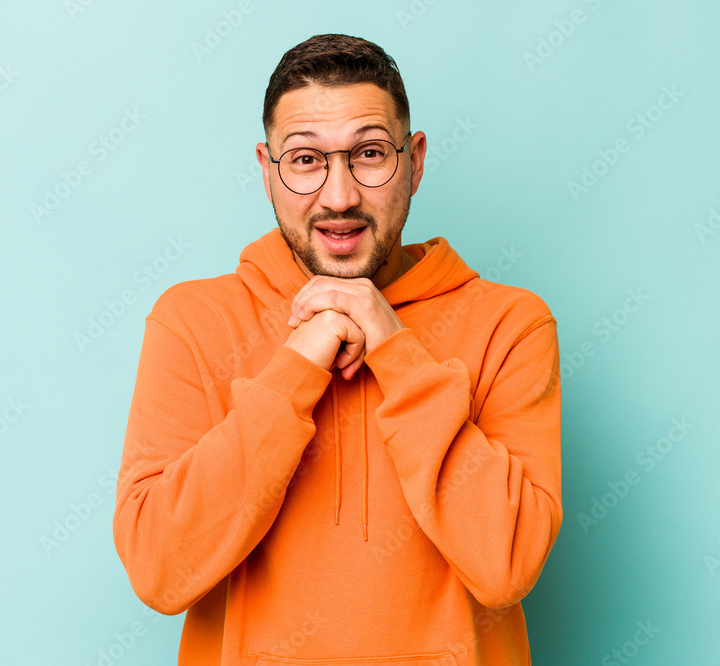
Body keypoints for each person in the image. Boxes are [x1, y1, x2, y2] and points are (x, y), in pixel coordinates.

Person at [113, 33, 562, 666]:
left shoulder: (510, 324)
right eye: (305, 161)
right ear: (268, 170)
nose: (340, 195)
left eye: (370, 154)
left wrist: (397, 352)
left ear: (416, 161)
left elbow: (507, 564)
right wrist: (298, 367)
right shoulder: (191, 321)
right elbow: (161, 572)